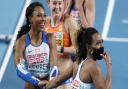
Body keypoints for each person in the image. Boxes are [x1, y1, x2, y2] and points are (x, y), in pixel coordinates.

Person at [46, 27, 112, 89]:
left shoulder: (77, 63)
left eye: (101, 42)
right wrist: (109, 65)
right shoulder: (93, 66)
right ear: (89, 48)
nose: (101, 46)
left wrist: (44, 87)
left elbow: (57, 80)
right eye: (97, 43)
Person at [14, 2, 57, 89]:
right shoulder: (21, 41)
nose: (43, 19)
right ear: (30, 19)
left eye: (44, 16)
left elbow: (54, 67)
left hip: (48, 86)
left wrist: (50, 84)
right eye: (38, 16)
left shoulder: (50, 38)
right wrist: (37, 82)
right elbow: (20, 69)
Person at [45, 0, 77, 88]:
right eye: (54, 3)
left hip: (64, 78)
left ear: (64, 4)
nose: (57, 7)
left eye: (60, 3)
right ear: (48, 3)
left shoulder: (69, 22)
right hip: (48, 77)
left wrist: (59, 49)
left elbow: (78, 49)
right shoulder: (44, 23)